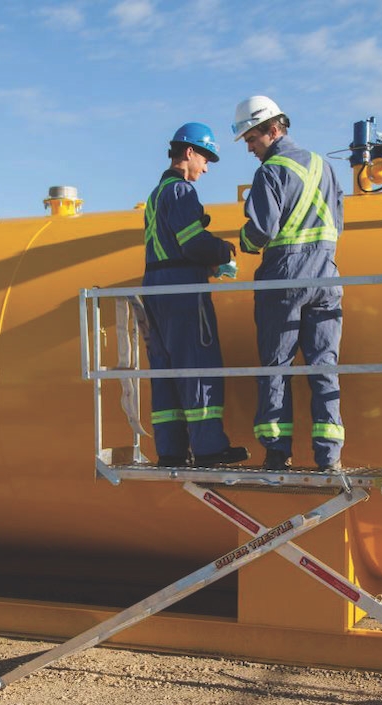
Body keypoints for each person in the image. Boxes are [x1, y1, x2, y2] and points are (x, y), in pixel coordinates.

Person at [232, 96, 344, 471]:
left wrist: (243, 243)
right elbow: (337, 222)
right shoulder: (325, 166)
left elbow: (262, 230)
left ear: (273, 129)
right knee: (323, 365)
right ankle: (329, 455)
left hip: (284, 277)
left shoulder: (270, 172)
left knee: (276, 366)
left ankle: (278, 451)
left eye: (251, 138)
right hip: (326, 275)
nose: (249, 148)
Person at [142, 122, 249, 468]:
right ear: (189, 152)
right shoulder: (181, 191)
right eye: (205, 159)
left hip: (155, 288)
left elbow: (171, 245)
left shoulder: (156, 194)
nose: (206, 168)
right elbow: (192, 243)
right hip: (182, 290)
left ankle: (171, 450)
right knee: (198, 363)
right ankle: (208, 448)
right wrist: (223, 250)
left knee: (166, 371)